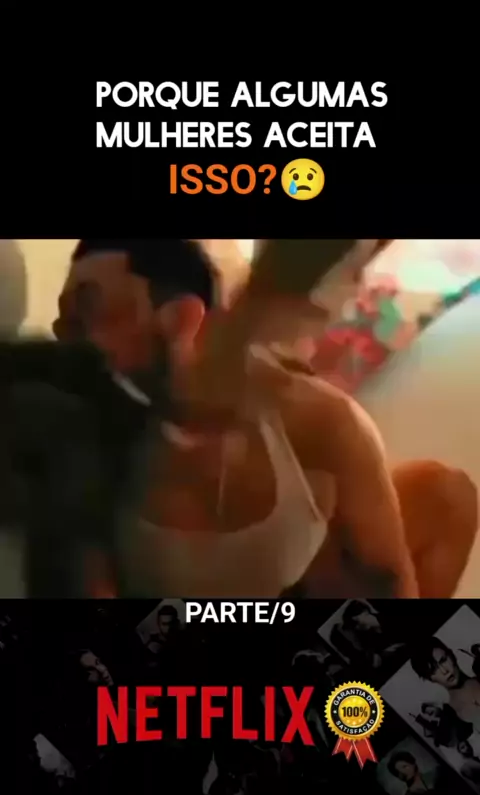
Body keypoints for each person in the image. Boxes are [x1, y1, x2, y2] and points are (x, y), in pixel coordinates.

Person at [49, 238, 477, 598]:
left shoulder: (313, 415)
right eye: (64, 322)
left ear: (180, 316)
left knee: (444, 494)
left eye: (92, 311)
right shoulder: (80, 434)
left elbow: (389, 580)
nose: (64, 337)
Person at [411, 638, 480, 730]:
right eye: (433, 670)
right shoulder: (451, 717)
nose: (444, 671)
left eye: (443, 660)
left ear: (452, 656)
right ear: (429, 678)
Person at [329, 600, 404, 669]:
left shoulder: (390, 617)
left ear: (365, 613)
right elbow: (375, 661)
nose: (356, 628)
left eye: (356, 622)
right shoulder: (367, 638)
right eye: (353, 625)